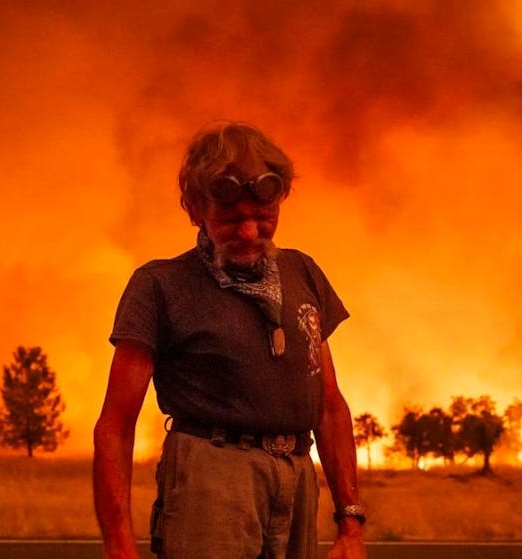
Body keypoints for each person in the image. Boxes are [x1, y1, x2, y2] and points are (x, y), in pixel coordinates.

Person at [93, 121, 366, 559]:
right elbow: (115, 428)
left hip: (297, 479)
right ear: (195, 208)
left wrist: (350, 524)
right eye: (232, 218)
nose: (249, 232)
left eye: (263, 217)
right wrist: (120, 548)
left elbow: (330, 406)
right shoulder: (159, 285)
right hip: (211, 479)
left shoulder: (304, 273)